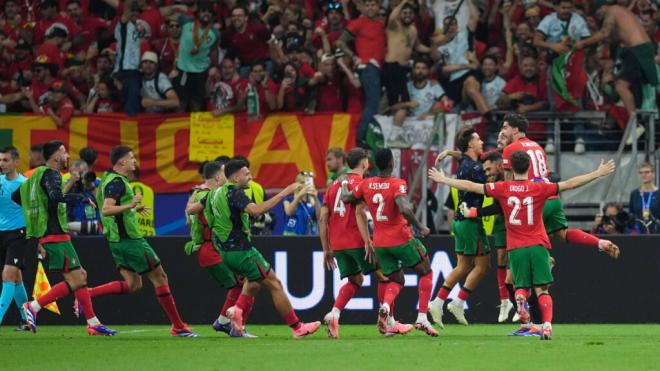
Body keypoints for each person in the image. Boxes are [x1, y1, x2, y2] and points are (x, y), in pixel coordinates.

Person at [428, 151, 620, 340]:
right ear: (529, 167)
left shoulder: (503, 188)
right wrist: (597, 173)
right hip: (537, 244)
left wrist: (444, 180)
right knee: (542, 290)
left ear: (510, 167)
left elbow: (471, 186)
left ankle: (521, 301)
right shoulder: (539, 188)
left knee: (518, 286)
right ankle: (546, 325)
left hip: (516, 248)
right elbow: (570, 184)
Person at [83, 145, 197, 337]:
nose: (135, 160)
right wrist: (130, 205)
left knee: (133, 284)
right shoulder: (117, 182)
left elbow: (105, 206)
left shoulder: (108, 180)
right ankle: (178, 326)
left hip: (116, 241)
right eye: (131, 157)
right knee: (160, 277)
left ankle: (86, 294)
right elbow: (106, 210)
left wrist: (133, 208)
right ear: (121, 162)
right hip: (130, 241)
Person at [202, 159, 321, 338]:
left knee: (255, 282)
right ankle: (297, 327)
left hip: (225, 252)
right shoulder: (236, 193)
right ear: (235, 178)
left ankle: (236, 312)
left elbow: (192, 209)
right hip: (242, 250)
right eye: (246, 173)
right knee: (275, 284)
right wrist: (285, 192)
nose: (250, 176)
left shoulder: (214, 193)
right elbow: (257, 210)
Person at [14, 141, 116, 336]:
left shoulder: (34, 175)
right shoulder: (51, 173)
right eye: (63, 151)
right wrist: (81, 197)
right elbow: (55, 196)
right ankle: (34, 306)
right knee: (77, 279)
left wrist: (37, 211)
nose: (67, 155)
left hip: (50, 232)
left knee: (81, 276)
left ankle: (93, 322)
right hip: (54, 233)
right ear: (54, 156)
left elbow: (16, 197)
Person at [341, 148, 437, 337]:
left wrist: (345, 183)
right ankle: (422, 317)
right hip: (401, 238)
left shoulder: (366, 183)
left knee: (396, 279)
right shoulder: (397, 183)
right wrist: (421, 226)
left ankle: (385, 306)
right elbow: (405, 209)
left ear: (374, 164)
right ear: (392, 164)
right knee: (426, 271)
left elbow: (346, 198)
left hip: (380, 244)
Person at [501, 113, 621, 254]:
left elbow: (508, 185)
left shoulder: (510, 149)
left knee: (522, 243)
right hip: (552, 198)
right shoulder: (537, 146)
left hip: (534, 200)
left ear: (515, 130)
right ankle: (600, 242)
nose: (502, 131)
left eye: (505, 128)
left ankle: (545, 260)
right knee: (562, 234)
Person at [427, 126, 490, 327]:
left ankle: (452, 302)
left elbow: (462, 156)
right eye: (478, 139)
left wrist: (448, 152)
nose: (481, 142)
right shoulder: (476, 169)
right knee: (477, 266)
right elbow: (482, 189)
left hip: (460, 221)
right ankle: (444, 302)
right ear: (470, 144)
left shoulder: (463, 162)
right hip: (471, 221)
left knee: (472, 265)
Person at [184, 161, 255, 337]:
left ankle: (228, 323)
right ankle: (229, 324)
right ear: (217, 177)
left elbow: (189, 214)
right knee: (244, 283)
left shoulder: (209, 194)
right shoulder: (211, 195)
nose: (228, 176)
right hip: (214, 247)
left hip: (216, 247)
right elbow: (192, 215)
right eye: (225, 173)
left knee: (242, 283)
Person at [575, 4, 659, 144]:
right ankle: (637, 123)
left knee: (621, 86)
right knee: (633, 89)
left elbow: (604, 33)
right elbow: (608, 36)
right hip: (639, 50)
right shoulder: (621, 15)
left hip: (637, 50)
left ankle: (635, 124)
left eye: (599, 13)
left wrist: (582, 43)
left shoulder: (612, 11)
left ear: (602, 7)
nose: (600, 16)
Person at [320, 148, 376, 338]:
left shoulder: (334, 184)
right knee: (387, 275)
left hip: (337, 244)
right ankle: (389, 321)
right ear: (364, 163)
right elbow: (360, 212)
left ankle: (334, 314)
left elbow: (323, 218)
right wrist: (368, 240)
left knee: (356, 279)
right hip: (356, 240)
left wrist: (326, 248)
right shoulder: (362, 183)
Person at [336, 0, 385, 147]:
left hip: (378, 68)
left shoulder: (380, 24)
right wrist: (354, 57)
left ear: (378, 7)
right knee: (372, 103)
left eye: (373, 5)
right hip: (367, 67)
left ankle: (365, 135)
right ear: (362, 7)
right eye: (367, 5)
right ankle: (360, 138)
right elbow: (340, 42)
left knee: (376, 102)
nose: (370, 7)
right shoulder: (358, 23)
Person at [383, 0, 430, 147]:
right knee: (400, 104)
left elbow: (418, 46)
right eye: (405, 12)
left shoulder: (413, 30)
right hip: (392, 67)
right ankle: (393, 135)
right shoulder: (394, 26)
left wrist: (433, 50)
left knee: (403, 104)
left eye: (410, 13)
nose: (407, 15)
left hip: (403, 70)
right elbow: (392, 17)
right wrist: (403, 2)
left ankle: (396, 133)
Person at [0, 146, 29, 330]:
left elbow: (33, 212)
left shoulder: (24, 184)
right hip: (1, 233)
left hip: (18, 234)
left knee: (8, 274)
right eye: (0, 160)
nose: (1, 164)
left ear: (16, 162)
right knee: (16, 278)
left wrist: (40, 239)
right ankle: (27, 320)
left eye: (5, 160)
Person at [174, 1, 219, 112]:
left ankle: (195, 127)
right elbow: (165, 14)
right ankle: (178, 126)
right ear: (197, 13)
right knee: (181, 102)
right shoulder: (186, 21)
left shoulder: (215, 33)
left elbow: (214, 50)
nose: (206, 14)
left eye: (209, 12)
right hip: (183, 69)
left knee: (196, 102)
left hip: (201, 72)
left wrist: (215, 66)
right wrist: (177, 6)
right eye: (203, 11)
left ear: (212, 16)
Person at [113, 0, 142, 116]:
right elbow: (127, 8)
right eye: (132, 11)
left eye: (136, 12)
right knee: (129, 107)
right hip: (125, 69)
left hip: (136, 70)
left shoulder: (139, 27)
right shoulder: (123, 24)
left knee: (131, 103)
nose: (134, 14)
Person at [629, 162, 660, 234]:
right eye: (641, 173)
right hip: (639, 232)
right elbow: (631, 213)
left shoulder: (658, 193)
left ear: (653, 174)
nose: (643, 175)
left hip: (657, 232)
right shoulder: (634, 194)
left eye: (647, 172)